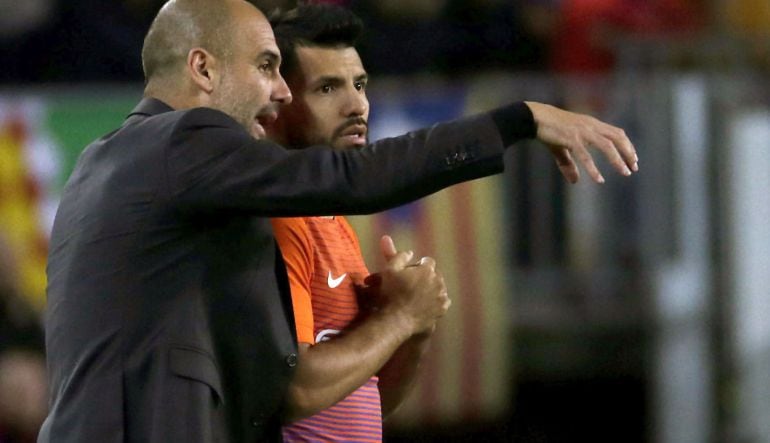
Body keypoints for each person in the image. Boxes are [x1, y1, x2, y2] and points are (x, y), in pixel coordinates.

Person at [39, 0, 638, 442]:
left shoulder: (114, 163)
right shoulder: (184, 139)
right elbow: (353, 180)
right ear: (202, 68)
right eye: (268, 66)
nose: (279, 92)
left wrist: (404, 328)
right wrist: (516, 121)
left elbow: (331, 402)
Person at [266, 5, 448, 441]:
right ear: (276, 102)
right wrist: (401, 318)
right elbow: (298, 389)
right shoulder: (279, 219)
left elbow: (365, 400)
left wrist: (414, 328)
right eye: (328, 88)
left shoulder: (329, 216)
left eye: (360, 84)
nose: (357, 105)